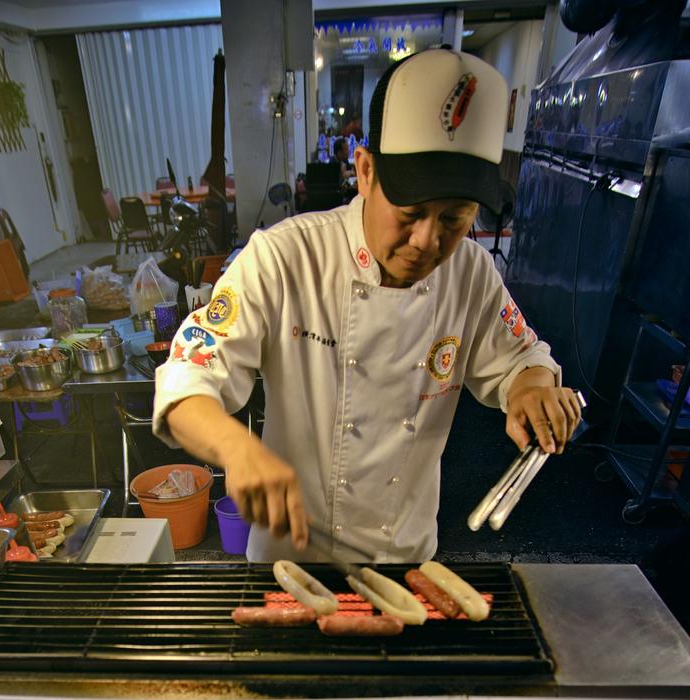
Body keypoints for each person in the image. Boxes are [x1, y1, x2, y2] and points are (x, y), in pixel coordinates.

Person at [152, 48, 583, 563]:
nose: (427, 240)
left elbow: (522, 359)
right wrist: (237, 449)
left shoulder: (470, 273)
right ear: (365, 170)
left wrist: (532, 390)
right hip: (291, 561)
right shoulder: (286, 257)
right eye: (412, 212)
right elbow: (187, 379)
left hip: (406, 560)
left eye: (454, 219)